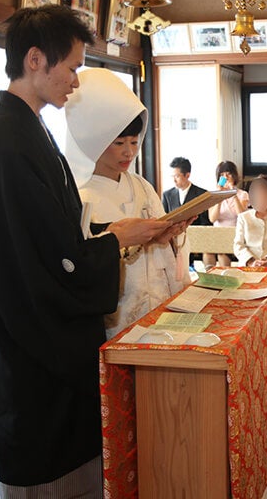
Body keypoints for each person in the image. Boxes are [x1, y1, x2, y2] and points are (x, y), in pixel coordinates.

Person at [0, 4, 169, 497]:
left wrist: (108, 243)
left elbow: (57, 247)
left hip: (50, 324)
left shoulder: (30, 132)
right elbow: (49, 258)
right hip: (35, 336)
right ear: (36, 60)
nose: (75, 82)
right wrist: (115, 240)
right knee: (49, 465)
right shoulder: (10, 143)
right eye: (73, 68)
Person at [64, 68, 192, 338]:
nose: (129, 152)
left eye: (134, 142)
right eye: (119, 142)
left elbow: (161, 248)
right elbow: (86, 266)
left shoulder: (141, 186)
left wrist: (166, 237)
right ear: (94, 142)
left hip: (157, 304)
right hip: (117, 315)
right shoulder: (81, 197)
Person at [205, 160, 249, 267]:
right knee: (207, 251)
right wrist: (220, 195)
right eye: (222, 175)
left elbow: (242, 215)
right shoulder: (212, 194)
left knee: (222, 253)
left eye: (228, 174)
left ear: (234, 176)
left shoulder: (242, 194)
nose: (225, 177)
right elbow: (212, 218)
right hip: (217, 233)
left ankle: (225, 276)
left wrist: (232, 193)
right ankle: (210, 277)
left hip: (234, 233)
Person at [161, 156, 210, 226]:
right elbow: (164, 221)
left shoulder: (202, 194)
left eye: (177, 176)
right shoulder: (167, 195)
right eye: (172, 176)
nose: (174, 180)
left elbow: (205, 224)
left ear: (187, 175)